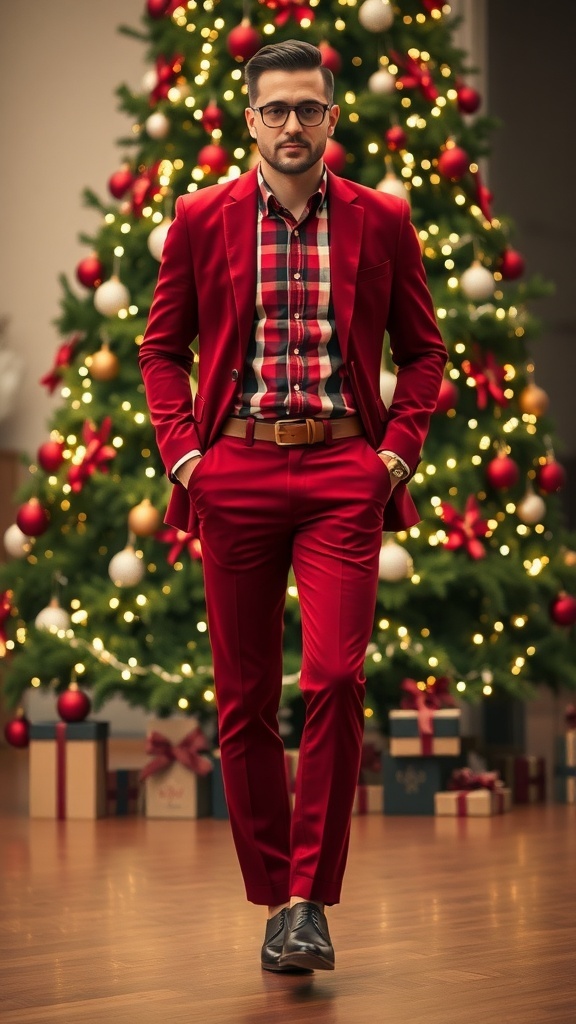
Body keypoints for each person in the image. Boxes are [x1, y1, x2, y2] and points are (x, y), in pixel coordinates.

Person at [139, 39, 447, 973]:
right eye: (274, 109)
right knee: (242, 699)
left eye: (308, 108)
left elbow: (425, 352)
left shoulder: (381, 221)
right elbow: (161, 350)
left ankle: (311, 896)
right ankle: (277, 900)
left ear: (331, 117)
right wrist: (187, 458)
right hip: (232, 469)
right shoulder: (201, 219)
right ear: (249, 120)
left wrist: (392, 458)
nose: (292, 125)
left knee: (336, 680)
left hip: (342, 475)